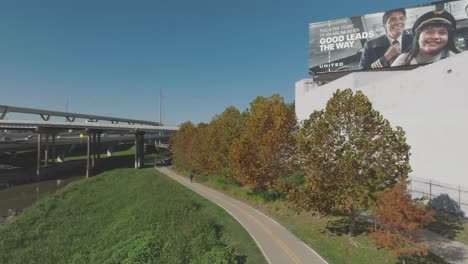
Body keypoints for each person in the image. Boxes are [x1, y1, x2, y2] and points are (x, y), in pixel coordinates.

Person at [391, 10, 460, 66]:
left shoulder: (455, 59)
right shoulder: (403, 61)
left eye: (442, 33)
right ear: (418, 37)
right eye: (429, 32)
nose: (436, 36)